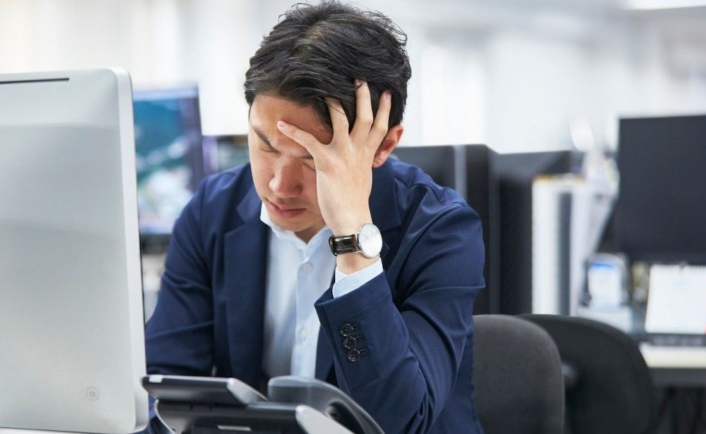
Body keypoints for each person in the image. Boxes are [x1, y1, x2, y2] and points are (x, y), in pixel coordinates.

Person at [143, 1, 485, 433]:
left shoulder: (441, 231)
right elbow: (163, 394)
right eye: (265, 145)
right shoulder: (213, 211)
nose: (279, 185)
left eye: (313, 159)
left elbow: (400, 422)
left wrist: (354, 241)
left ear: (382, 146)